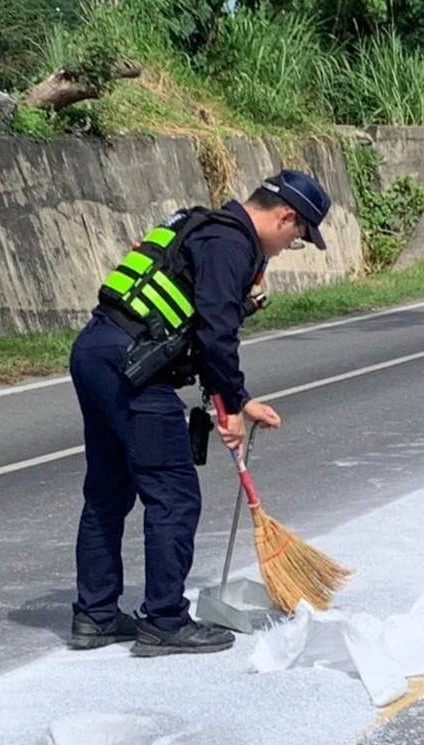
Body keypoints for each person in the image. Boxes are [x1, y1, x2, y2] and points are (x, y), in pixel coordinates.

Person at [66, 170, 332, 656]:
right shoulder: (231, 244)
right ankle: (165, 620)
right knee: (174, 495)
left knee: (108, 491)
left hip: (98, 352)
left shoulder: (202, 227)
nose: (288, 247)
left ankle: (95, 615)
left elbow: (198, 329)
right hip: (133, 369)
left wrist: (237, 402)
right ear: (286, 217)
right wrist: (231, 405)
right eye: (297, 237)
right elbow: (216, 333)